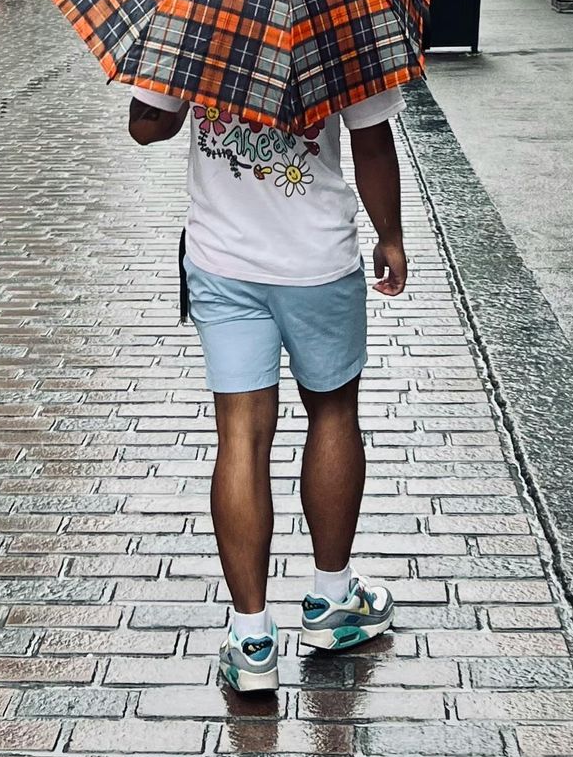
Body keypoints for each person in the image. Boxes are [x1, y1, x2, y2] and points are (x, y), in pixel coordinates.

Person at [128, 82, 407, 693]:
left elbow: (146, 127)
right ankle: (333, 601)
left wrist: (161, 81)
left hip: (223, 260)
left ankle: (251, 639)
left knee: (241, 436)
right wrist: (391, 236)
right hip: (317, 262)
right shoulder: (341, 9)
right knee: (333, 413)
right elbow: (372, 141)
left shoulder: (201, 15)